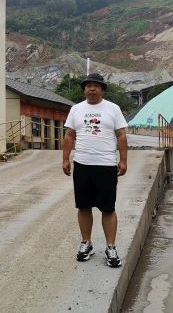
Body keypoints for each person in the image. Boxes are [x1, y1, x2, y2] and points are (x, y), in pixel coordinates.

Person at [62, 73, 128, 268]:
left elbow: (121, 136)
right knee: (83, 206)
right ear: (84, 90)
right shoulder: (76, 109)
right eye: (88, 85)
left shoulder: (113, 109)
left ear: (102, 90)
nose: (92, 88)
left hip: (106, 165)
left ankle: (111, 247)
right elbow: (69, 135)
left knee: (108, 208)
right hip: (82, 164)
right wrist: (65, 159)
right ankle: (86, 243)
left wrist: (123, 160)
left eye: (96, 86)